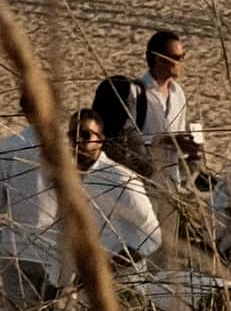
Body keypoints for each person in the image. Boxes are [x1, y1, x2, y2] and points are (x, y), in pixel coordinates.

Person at [0, 88, 62, 295]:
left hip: (16, 247)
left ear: (24, 112)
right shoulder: (68, 145)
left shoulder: (8, 146)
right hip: (55, 250)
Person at [68, 111, 165, 273]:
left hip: (123, 282)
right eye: (72, 135)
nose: (78, 141)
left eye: (85, 135)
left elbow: (152, 234)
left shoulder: (118, 178)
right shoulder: (69, 178)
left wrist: (109, 269)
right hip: (86, 283)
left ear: (100, 140)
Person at [127, 30, 206, 197]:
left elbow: (179, 137)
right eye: (177, 58)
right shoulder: (137, 93)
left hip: (172, 183)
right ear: (158, 59)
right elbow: (128, 142)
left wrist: (189, 147)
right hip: (143, 185)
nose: (181, 62)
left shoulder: (178, 94)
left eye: (182, 56)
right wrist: (166, 141)